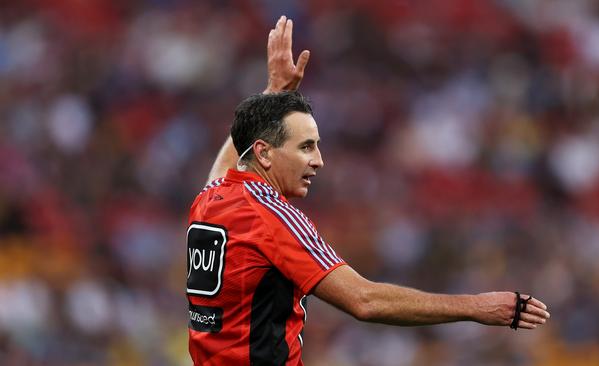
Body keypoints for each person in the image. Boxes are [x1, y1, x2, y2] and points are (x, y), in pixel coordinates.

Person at [186, 16, 550, 366]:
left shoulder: (211, 199)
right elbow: (365, 300)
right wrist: (477, 307)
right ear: (264, 153)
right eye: (305, 147)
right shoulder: (272, 218)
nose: (319, 161)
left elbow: (228, 162)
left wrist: (274, 94)